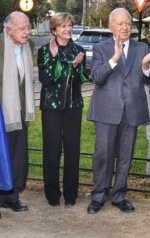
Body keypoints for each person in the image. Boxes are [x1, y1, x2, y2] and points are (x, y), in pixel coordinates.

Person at [87, 8, 150, 214]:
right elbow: (96, 77)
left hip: (131, 111)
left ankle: (119, 195)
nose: (125, 27)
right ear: (110, 27)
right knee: (103, 155)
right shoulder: (100, 48)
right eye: (120, 23)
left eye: (128, 23)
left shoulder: (141, 48)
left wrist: (145, 66)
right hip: (106, 111)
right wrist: (114, 58)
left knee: (125, 156)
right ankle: (99, 196)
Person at [38, 12, 88, 207]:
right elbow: (47, 79)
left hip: (73, 107)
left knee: (72, 150)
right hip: (51, 107)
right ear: (54, 29)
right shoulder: (44, 51)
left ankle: (70, 195)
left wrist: (75, 66)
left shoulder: (78, 50)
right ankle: (52, 194)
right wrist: (53, 57)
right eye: (63, 26)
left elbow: (81, 79)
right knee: (51, 150)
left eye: (69, 25)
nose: (67, 29)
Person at [0, 11, 35, 212]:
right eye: (22, 28)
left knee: (17, 155)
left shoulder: (28, 47)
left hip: (18, 111)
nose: (27, 31)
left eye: (28, 27)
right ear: (8, 29)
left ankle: (11, 197)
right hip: (2, 110)